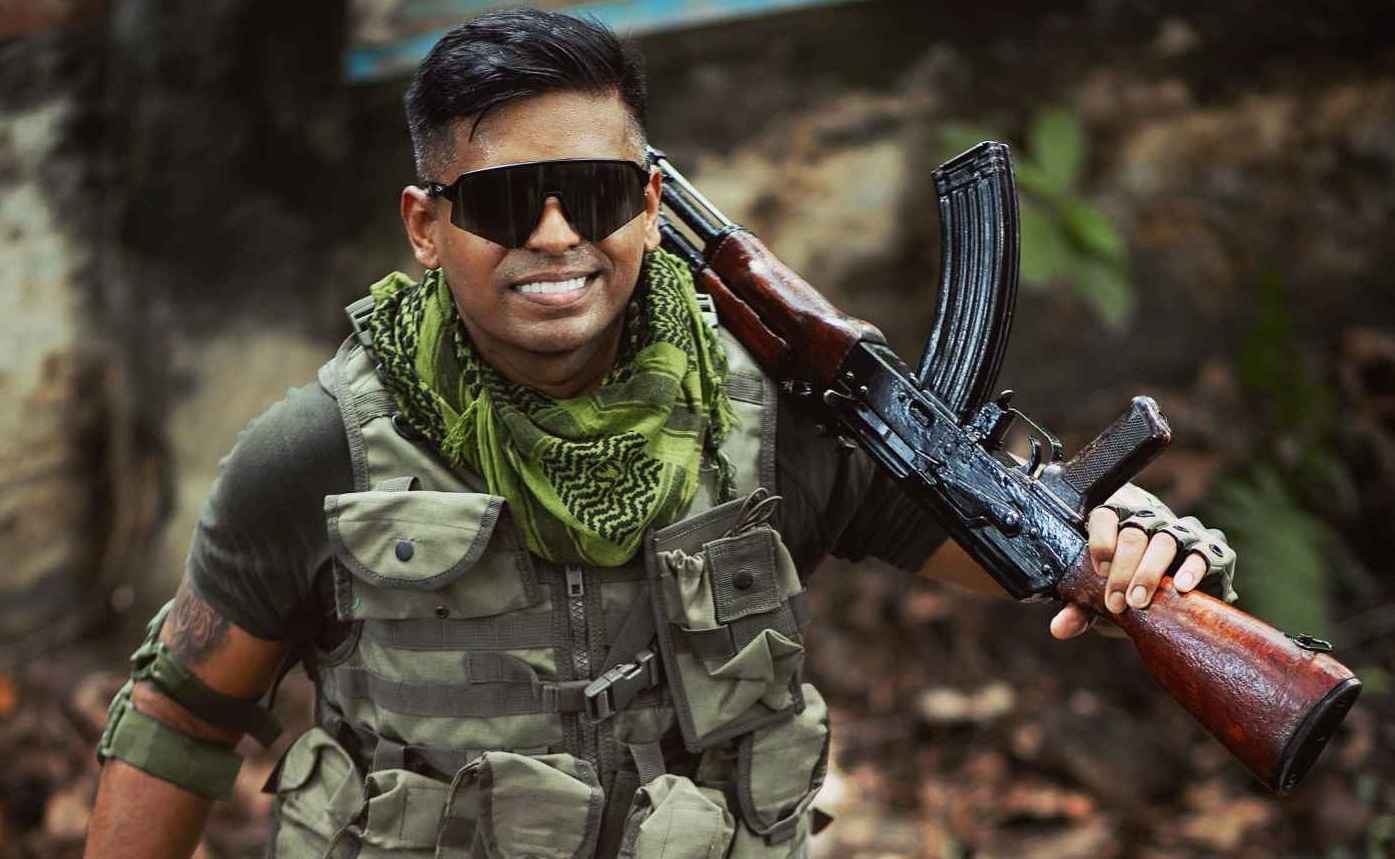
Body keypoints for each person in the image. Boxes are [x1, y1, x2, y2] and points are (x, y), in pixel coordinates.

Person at [83, 9, 1235, 858]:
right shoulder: (319, 453)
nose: (553, 236)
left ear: (645, 207)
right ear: (425, 227)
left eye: (591, 194)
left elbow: (1003, 544)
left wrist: (1121, 545)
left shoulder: (773, 417)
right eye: (504, 202)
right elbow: (181, 718)